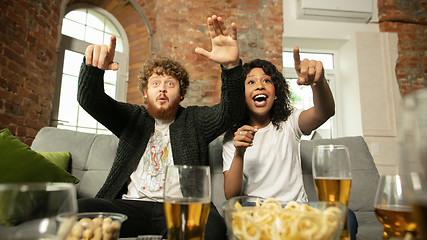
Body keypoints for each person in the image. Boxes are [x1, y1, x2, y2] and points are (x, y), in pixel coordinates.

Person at [77, 15, 245, 239]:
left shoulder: (194, 120)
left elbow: (230, 112)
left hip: (181, 209)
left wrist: (231, 67)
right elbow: (90, 100)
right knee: (79, 210)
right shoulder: (131, 118)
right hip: (131, 207)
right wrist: (93, 69)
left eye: (170, 83)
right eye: (155, 83)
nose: (162, 89)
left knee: (212, 228)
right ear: (146, 92)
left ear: (181, 92)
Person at [222, 47, 358, 239]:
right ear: (241, 95)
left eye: (267, 81)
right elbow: (231, 194)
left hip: (297, 210)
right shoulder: (234, 137)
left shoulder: (289, 122)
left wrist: (317, 83)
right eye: (251, 82)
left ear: (276, 92)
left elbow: (325, 111)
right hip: (256, 211)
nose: (260, 86)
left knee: (346, 217)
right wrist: (239, 153)